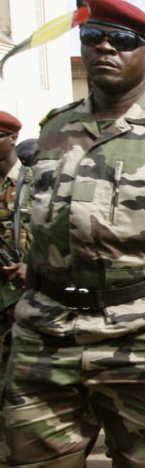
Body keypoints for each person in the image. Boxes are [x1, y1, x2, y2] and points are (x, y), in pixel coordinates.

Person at [0, 0, 145, 467]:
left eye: (122, 41)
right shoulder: (54, 129)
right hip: (46, 337)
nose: (105, 48)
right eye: (93, 38)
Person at [0, 111, 30, 397]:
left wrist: (33, 268)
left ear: (13, 138)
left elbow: (62, 237)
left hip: (24, 298)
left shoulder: (38, 183)